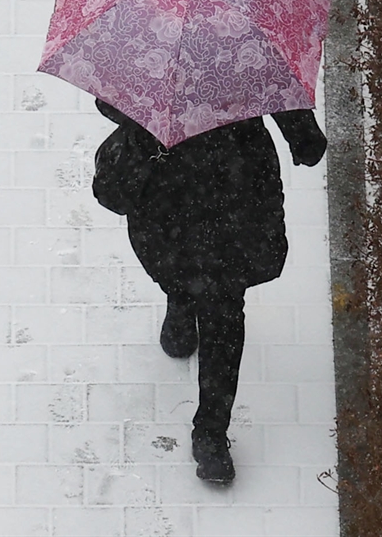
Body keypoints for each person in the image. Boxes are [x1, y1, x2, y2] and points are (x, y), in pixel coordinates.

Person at [92, 98, 327, 483]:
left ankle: (208, 419)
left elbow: (109, 103)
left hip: (175, 200)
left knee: (210, 296)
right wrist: (300, 133)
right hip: (233, 191)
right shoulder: (246, 51)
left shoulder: (146, 51)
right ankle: (211, 435)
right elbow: (307, 143)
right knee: (222, 309)